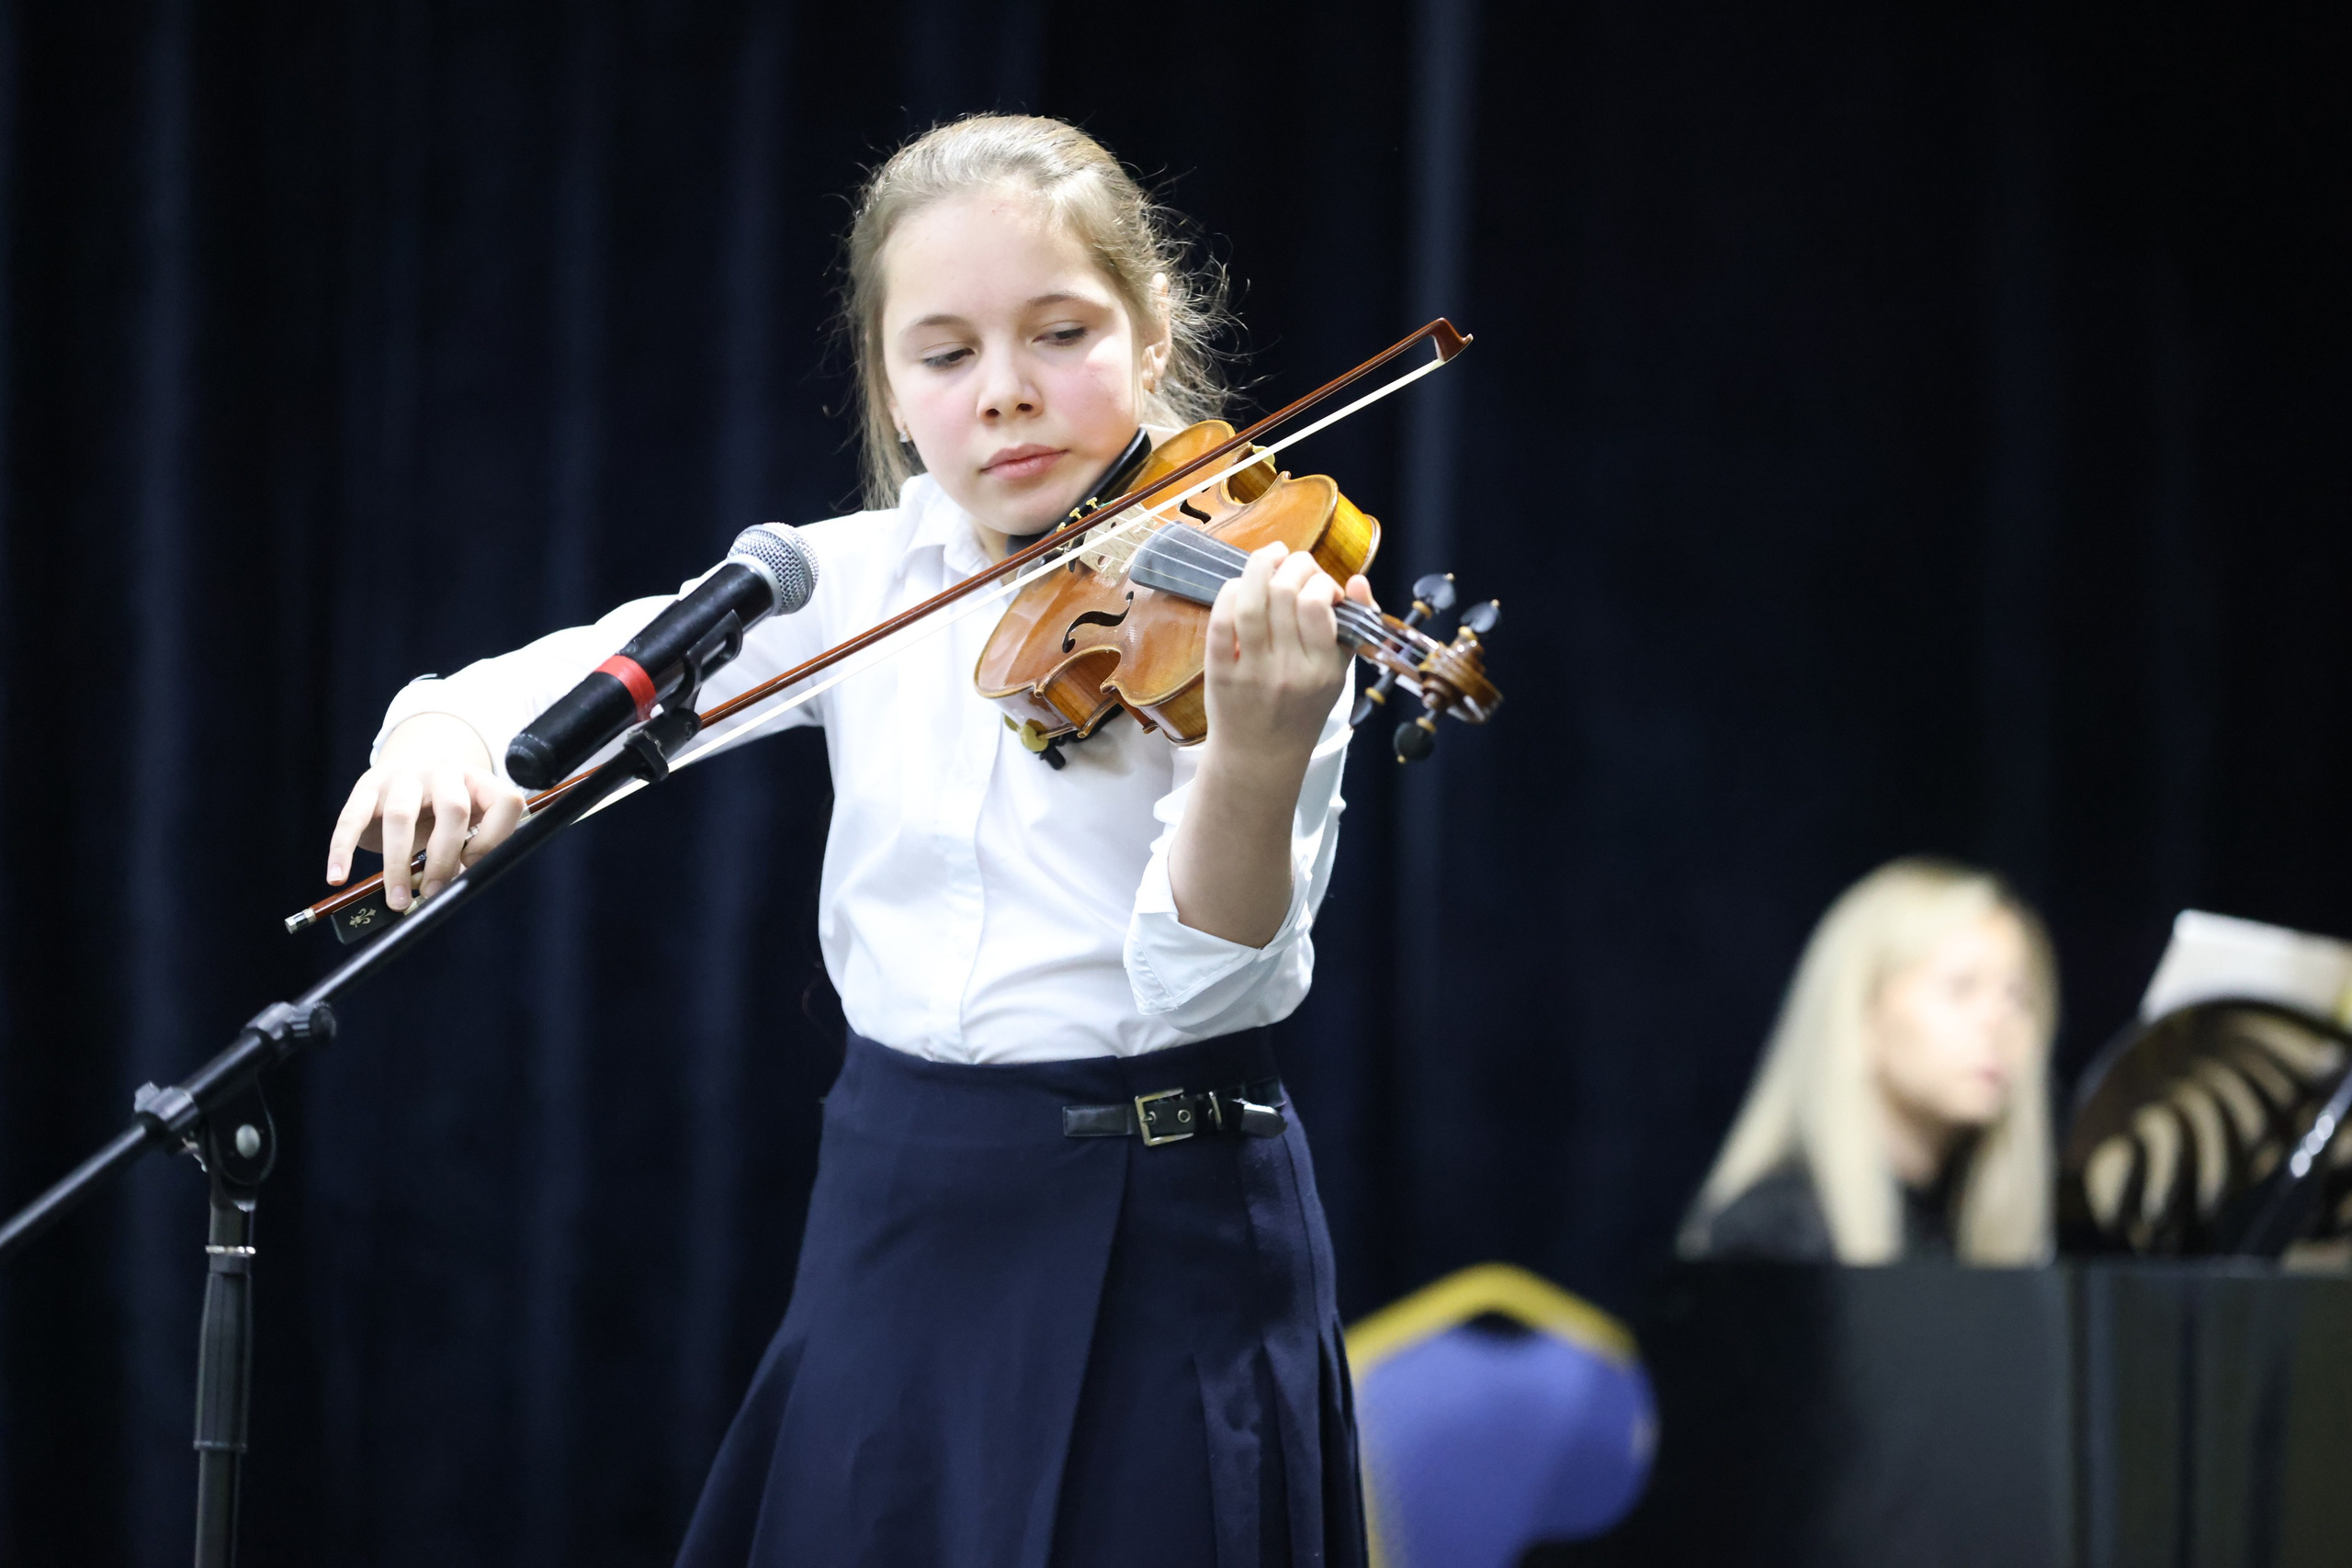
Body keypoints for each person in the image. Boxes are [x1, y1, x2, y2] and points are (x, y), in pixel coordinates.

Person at [322, 116, 1370, 1566]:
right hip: (900, 1200)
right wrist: (437, 733)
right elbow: (547, 687)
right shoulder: (854, 579)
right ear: (888, 383)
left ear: (1152, 327)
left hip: (1165, 1210)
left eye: (1060, 333)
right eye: (944, 355)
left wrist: (1256, 753)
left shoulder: (1265, 599)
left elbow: (1202, 994)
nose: (1006, 396)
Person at [1679, 857, 2057, 1266]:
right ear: (1860, 1016)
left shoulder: (1960, 1232)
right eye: (1961, 987)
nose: (1998, 1023)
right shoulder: (1771, 1237)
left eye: (2018, 997)